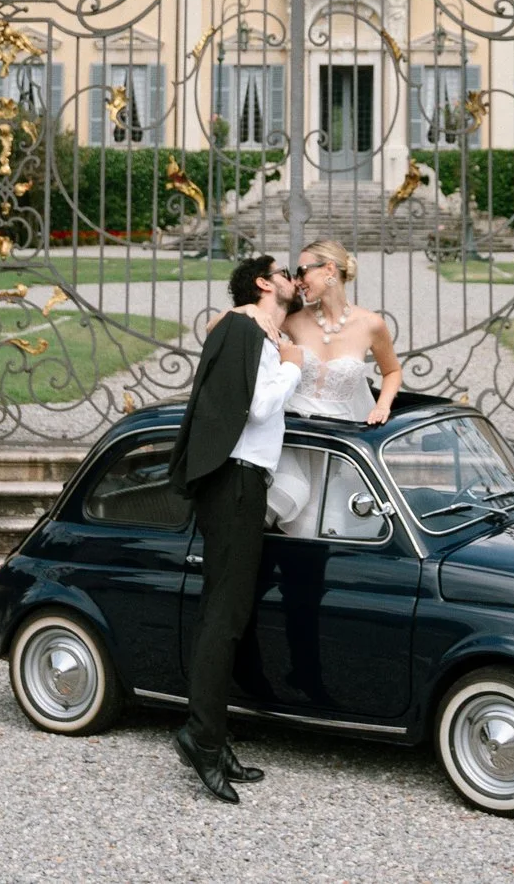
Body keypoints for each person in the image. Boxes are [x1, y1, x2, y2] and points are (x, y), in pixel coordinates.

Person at [166, 253, 303, 804]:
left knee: (229, 616)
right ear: (264, 282)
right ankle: (200, 737)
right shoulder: (245, 326)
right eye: (286, 271)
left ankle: (213, 738)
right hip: (234, 483)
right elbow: (255, 409)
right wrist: (294, 364)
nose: (295, 278)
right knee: (224, 617)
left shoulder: (261, 330)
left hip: (248, 483)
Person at [282, 240, 403, 428]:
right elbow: (241, 327)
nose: (297, 281)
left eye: (302, 271)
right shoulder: (293, 320)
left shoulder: (371, 324)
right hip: (294, 430)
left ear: (329, 269)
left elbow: (392, 371)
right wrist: (249, 309)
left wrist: (382, 406)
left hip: (342, 433)